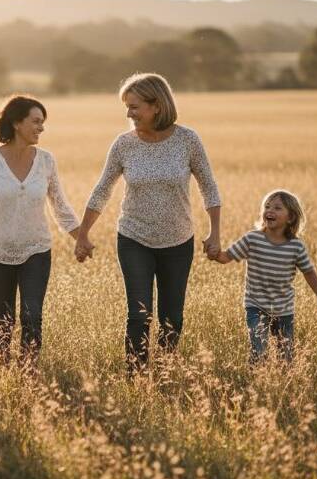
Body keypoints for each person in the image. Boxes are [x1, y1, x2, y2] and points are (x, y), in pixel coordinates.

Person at [75, 73, 221, 375]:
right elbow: (103, 189)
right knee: (139, 315)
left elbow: (209, 187)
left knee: (172, 317)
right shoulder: (123, 145)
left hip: (178, 241)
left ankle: (165, 374)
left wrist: (214, 232)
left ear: (156, 105)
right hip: (133, 238)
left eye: (134, 106)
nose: (128, 114)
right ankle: (137, 378)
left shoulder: (187, 140)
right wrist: (83, 233)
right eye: (127, 107)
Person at [0, 95, 80, 368]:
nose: (41, 128)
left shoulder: (46, 161)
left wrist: (81, 237)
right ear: (17, 123)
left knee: (32, 315)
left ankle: (29, 371)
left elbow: (60, 204)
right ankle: (3, 370)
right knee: (2, 318)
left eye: (42, 123)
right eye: (36, 121)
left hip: (37, 249)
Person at [212, 189, 317, 363]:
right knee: (258, 350)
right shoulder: (252, 239)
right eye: (267, 206)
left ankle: (282, 386)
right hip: (255, 306)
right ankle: (257, 382)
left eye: (277, 208)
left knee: (286, 357)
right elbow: (226, 257)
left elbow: (308, 272)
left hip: (284, 309)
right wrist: (214, 253)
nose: (270, 210)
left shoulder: (296, 247)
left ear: (290, 218)